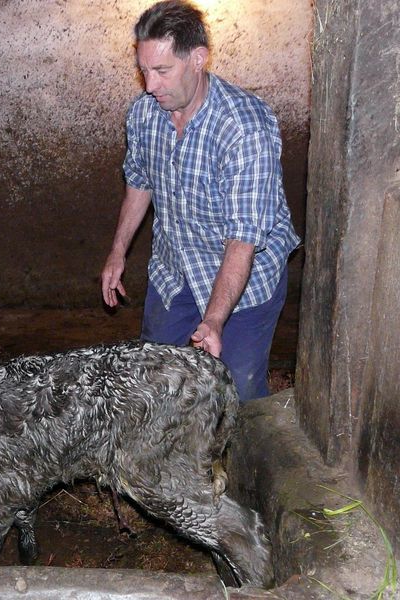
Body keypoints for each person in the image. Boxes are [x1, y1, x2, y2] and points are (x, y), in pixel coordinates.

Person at [100, 0, 300, 403]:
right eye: (143, 71)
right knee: (154, 386)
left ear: (198, 59)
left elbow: (242, 241)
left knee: (237, 392)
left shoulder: (244, 129)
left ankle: (242, 462)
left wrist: (213, 320)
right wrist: (118, 252)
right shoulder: (144, 114)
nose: (150, 85)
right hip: (176, 271)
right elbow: (140, 182)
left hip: (245, 279)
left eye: (161, 71)